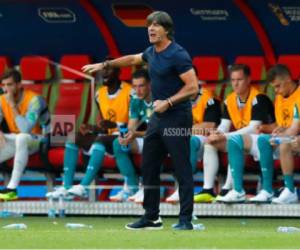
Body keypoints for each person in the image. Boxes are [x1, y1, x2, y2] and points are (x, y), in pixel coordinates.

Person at [82, 11, 199, 230]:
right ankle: (152, 217)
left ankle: (185, 220)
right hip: (158, 118)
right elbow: (132, 59)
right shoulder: (151, 52)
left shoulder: (178, 54)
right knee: (149, 166)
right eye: (148, 26)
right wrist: (105, 65)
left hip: (178, 118)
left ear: (167, 30)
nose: (151, 29)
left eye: (156, 25)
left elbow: (193, 87)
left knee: (182, 168)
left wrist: (169, 102)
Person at [46, 61, 131, 199]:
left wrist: (114, 125)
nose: (103, 73)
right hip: (107, 136)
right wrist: (92, 127)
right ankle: (66, 187)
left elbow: (136, 123)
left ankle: (83, 186)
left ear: (118, 72)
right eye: (102, 70)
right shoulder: (99, 94)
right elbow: (104, 124)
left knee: (100, 140)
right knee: (72, 137)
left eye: (108, 70)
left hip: (124, 135)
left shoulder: (130, 92)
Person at [194, 64, 275, 203]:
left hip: (263, 141)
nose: (236, 84)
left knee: (234, 141)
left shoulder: (259, 98)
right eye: (233, 80)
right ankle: (208, 190)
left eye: (240, 79)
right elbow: (224, 125)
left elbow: (253, 128)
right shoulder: (230, 99)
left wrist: (224, 136)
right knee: (210, 143)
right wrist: (217, 134)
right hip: (241, 139)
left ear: (248, 80)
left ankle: (227, 188)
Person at [220, 64, 299, 203]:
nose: (276, 91)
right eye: (274, 87)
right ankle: (242, 190)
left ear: (287, 80)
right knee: (237, 140)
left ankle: (290, 189)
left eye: (278, 86)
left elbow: (294, 128)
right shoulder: (280, 97)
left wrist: (281, 133)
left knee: (283, 141)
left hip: (293, 139)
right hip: (284, 138)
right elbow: (282, 125)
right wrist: (268, 128)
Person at [165, 82, 221, 203]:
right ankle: (143, 188)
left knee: (189, 141)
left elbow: (209, 125)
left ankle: (183, 188)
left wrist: (184, 129)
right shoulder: (178, 99)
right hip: (186, 136)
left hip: (208, 139)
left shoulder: (209, 98)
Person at [0, 69, 50, 201]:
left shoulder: (35, 100)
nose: (6, 89)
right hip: (15, 139)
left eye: (9, 85)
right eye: (3, 85)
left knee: (22, 137)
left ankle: (12, 189)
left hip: (38, 139)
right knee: (17, 139)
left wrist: (12, 105)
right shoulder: (1, 100)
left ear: (19, 85)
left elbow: (25, 128)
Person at [109, 68, 152, 203]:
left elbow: (159, 132)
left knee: (152, 142)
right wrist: (126, 135)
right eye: (135, 86)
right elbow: (132, 126)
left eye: (141, 86)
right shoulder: (136, 99)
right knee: (119, 143)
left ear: (150, 84)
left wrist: (135, 134)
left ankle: (147, 188)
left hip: (167, 138)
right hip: (149, 137)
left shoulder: (159, 99)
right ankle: (132, 188)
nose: (138, 90)